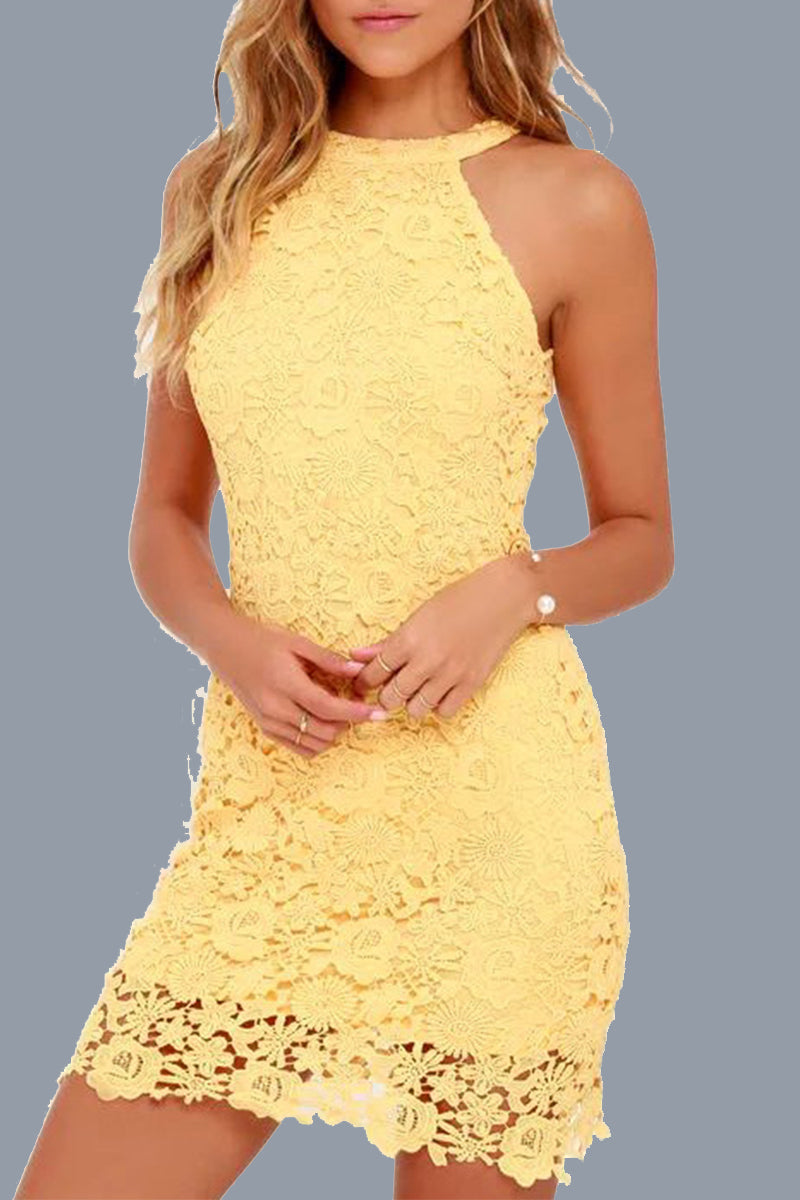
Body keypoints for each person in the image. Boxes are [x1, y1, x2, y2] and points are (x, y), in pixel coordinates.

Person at [15, 2, 673, 1198]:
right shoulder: (218, 187)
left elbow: (641, 538)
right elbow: (163, 518)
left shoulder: (578, 204)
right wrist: (230, 644)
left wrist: (512, 591)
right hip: (268, 822)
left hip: (492, 828)